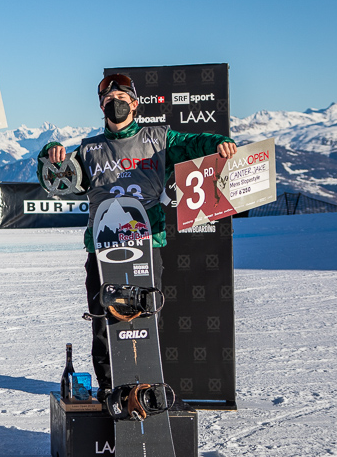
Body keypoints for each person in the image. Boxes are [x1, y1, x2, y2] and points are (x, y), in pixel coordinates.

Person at [38, 73, 237, 400]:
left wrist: (217, 143)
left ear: (135, 103)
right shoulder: (89, 149)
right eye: (107, 100)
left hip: (146, 241)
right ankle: (107, 388)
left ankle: (146, 385)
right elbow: (54, 176)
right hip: (103, 245)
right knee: (104, 319)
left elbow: (193, 143)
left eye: (121, 98)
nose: (114, 104)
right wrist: (50, 150)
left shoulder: (158, 138)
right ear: (101, 106)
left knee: (144, 316)